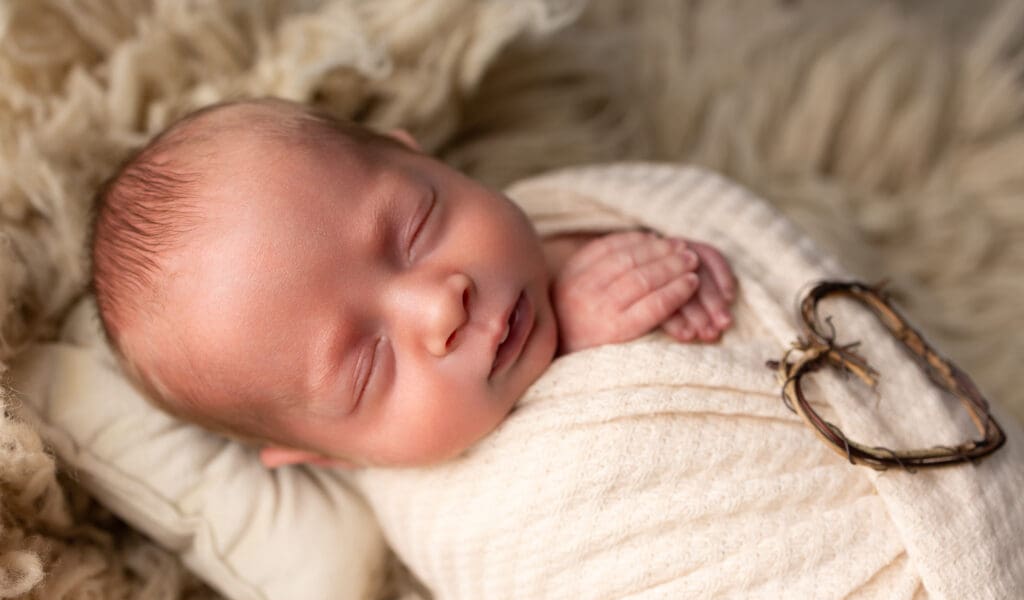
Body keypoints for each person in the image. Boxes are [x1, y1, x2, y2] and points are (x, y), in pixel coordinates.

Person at [90, 97, 737, 469]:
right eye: (367, 365)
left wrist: (672, 257)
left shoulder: (566, 210)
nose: (440, 306)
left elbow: (714, 223)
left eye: (416, 228)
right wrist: (574, 346)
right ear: (332, 457)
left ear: (420, 156)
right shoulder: (451, 517)